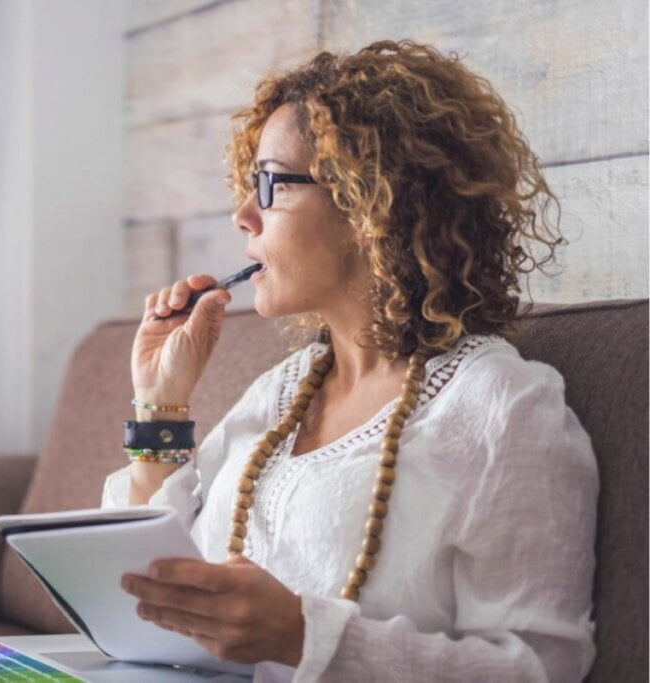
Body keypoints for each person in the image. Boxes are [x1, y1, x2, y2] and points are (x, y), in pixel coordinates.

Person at [103, 40, 598, 681]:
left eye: (270, 184)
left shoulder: (502, 407)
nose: (243, 216)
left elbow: (544, 667)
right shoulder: (280, 393)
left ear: (372, 204)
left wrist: (302, 635)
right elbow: (153, 591)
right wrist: (159, 403)